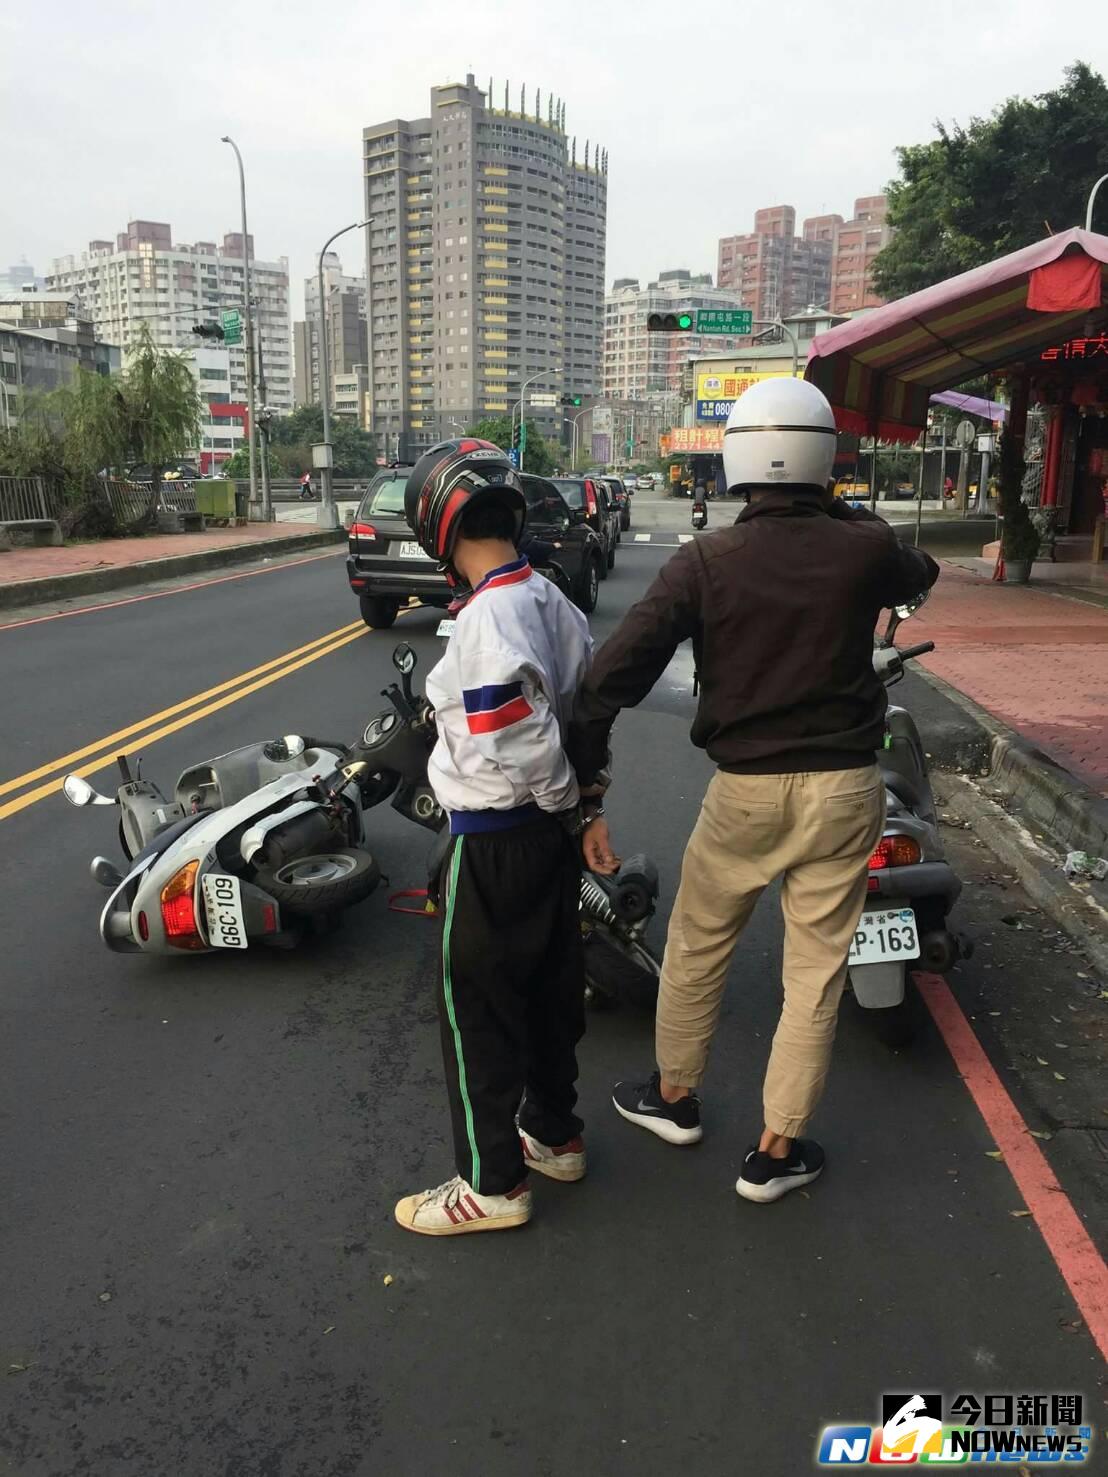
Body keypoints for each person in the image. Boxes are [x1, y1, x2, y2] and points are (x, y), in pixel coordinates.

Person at [568, 379, 939, 1204]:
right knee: (813, 973)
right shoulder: (865, 547)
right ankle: (774, 1151)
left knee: (699, 947)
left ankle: (673, 1099)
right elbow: (922, 567)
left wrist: (589, 786)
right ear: (825, 462)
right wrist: (839, 512)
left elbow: (605, 680)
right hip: (847, 790)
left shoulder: (703, 562)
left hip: (744, 794)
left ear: (738, 460)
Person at [394, 438, 608, 1237]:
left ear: (439, 530)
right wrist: (585, 807)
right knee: (550, 992)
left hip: (493, 844)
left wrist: (560, 800)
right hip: (547, 841)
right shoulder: (549, 598)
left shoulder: (486, 617)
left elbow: (516, 730)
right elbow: (587, 711)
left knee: (476, 1010)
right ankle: (555, 1134)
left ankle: (492, 1184)